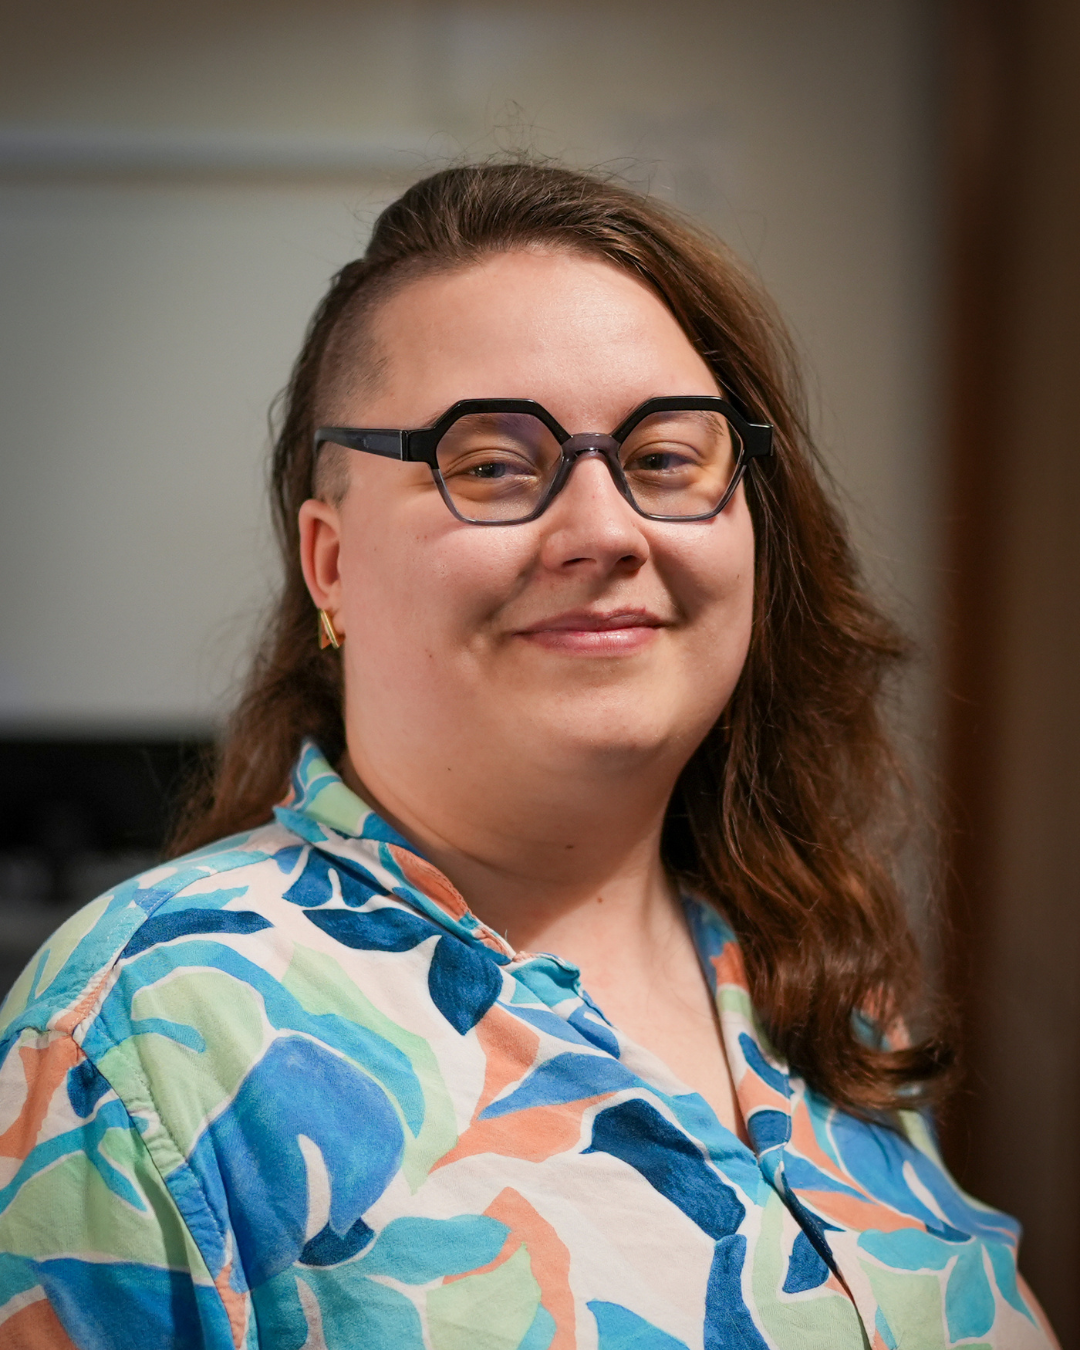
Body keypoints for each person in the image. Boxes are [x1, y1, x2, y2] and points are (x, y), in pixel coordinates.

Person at [0, 162, 1058, 1350]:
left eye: (665, 458)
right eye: (493, 463)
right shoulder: (139, 1039)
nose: (606, 529)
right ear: (330, 562)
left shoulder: (812, 979)